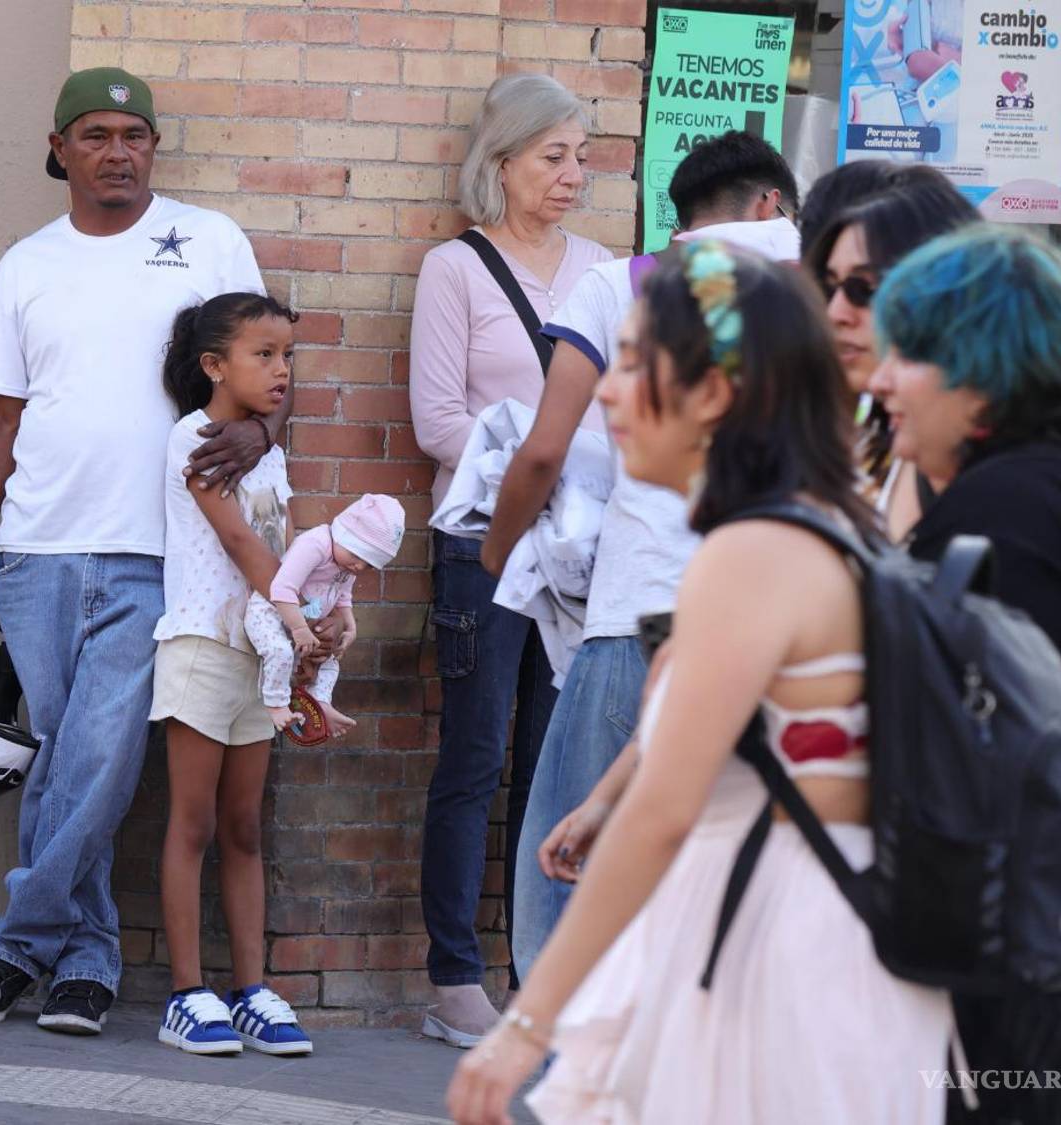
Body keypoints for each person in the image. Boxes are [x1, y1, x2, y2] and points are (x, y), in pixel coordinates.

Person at [447, 240, 952, 1125]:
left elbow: (667, 810)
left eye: (635, 364)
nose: (605, 391)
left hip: (776, 943)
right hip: (810, 933)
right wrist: (614, 793)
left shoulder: (749, 552)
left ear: (714, 394)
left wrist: (526, 1023)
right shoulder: (825, 523)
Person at [0, 69, 276, 1037]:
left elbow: (263, 372)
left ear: (154, 148)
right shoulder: (24, 265)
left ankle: (13, 948)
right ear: (60, 150)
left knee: (97, 760)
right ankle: (85, 966)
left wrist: (258, 434)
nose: (117, 150)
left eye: (135, 134)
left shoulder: (208, 241)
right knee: (61, 763)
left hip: (158, 551)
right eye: (95, 135)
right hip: (37, 551)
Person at [869, 226, 1061, 1123]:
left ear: (980, 369)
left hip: (1053, 976)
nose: (883, 379)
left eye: (910, 353)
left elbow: (956, 762)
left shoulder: (1012, 509)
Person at [487, 131, 801, 980]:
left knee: (567, 848)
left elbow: (546, 448)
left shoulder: (616, 286)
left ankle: (560, 1069)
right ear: (771, 202)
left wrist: (495, 549)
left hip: (640, 610)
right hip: (779, 632)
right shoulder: (828, 292)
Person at [408, 72, 612, 1047]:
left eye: (582, 155)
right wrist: (544, 458)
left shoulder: (605, 270)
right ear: (502, 162)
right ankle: (454, 973)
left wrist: (564, 465)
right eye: (553, 155)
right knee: (475, 756)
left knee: (554, 764)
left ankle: (542, 968)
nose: (574, 174)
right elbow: (437, 420)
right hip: (485, 547)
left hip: (578, 552)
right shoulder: (456, 270)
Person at [150, 292, 325, 1058]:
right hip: (200, 646)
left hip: (262, 658)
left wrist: (320, 615)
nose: (281, 370)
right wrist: (296, 613)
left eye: (287, 355)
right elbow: (240, 546)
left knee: (245, 826)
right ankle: (188, 994)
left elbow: (285, 549)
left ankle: (251, 989)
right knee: (191, 823)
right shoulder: (195, 438)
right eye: (264, 355)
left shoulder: (269, 451)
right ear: (214, 365)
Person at [803, 166, 977, 534]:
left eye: (863, 288)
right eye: (829, 287)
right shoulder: (881, 438)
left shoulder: (1000, 477)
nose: (836, 313)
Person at [246, 493, 406, 737]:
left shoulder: (347, 564)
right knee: (280, 652)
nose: (359, 567)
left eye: (370, 565)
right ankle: (275, 704)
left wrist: (350, 628)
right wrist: (300, 630)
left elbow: (343, 597)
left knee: (331, 662)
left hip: (304, 617)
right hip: (271, 611)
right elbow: (281, 589)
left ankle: (320, 702)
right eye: (357, 556)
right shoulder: (316, 543)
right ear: (343, 534)